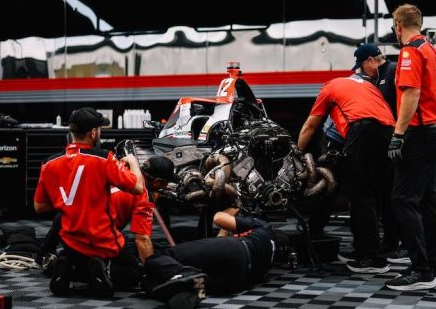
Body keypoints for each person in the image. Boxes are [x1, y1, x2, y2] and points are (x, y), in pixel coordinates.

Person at [297, 51, 396, 274]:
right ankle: (368, 251)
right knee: (371, 195)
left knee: (360, 195)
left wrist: (295, 154)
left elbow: (310, 126)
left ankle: (372, 259)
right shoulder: (368, 86)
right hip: (389, 134)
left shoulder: (329, 87)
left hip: (363, 132)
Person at [33, 107, 144, 297]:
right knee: (135, 274)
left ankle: (68, 266)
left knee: (73, 251)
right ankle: (98, 269)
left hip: (70, 240)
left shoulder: (49, 163)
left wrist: (68, 199)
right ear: (93, 132)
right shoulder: (103, 159)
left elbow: (39, 207)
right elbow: (137, 188)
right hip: (102, 241)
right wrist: (133, 163)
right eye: (100, 129)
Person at [35, 155, 183, 289]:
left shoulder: (117, 168)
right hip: (100, 237)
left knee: (66, 216)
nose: (166, 187)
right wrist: (151, 273)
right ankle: (84, 270)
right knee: (133, 272)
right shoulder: (142, 196)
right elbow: (142, 239)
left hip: (69, 226)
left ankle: (52, 258)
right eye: (165, 184)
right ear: (157, 182)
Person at [385, 4, 436, 291]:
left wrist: (398, 135)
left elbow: (411, 92)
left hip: (418, 134)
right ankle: (434, 265)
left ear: (398, 25)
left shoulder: (410, 51)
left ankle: (420, 269)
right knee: (428, 200)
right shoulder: (434, 52)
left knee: (402, 199)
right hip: (435, 131)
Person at [140, 209, 290, 302]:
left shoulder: (265, 227)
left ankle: (179, 272)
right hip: (237, 281)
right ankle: (190, 295)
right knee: (154, 282)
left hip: (235, 249)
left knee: (165, 255)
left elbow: (218, 219)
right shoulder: (268, 264)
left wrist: (233, 207)